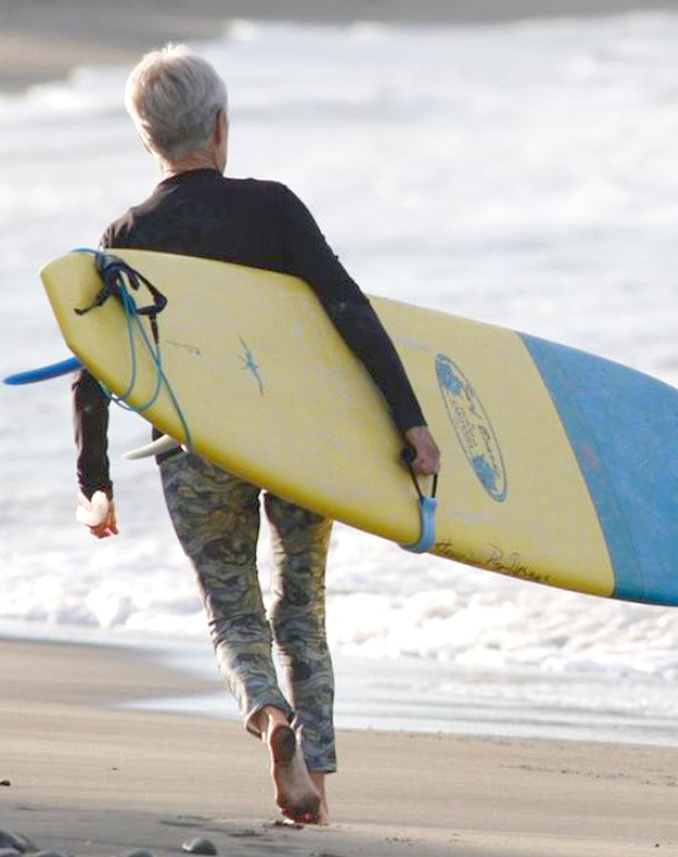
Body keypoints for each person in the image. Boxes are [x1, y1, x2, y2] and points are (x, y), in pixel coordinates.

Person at [71, 44, 441, 824]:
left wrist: (93, 480)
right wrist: (409, 420)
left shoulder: (127, 233)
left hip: (194, 446)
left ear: (147, 139)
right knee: (299, 604)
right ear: (219, 124)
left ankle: (268, 716)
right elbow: (347, 310)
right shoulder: (273, 207)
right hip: (294, 439)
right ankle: (317, 778)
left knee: (230, 610)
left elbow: (93, 367)